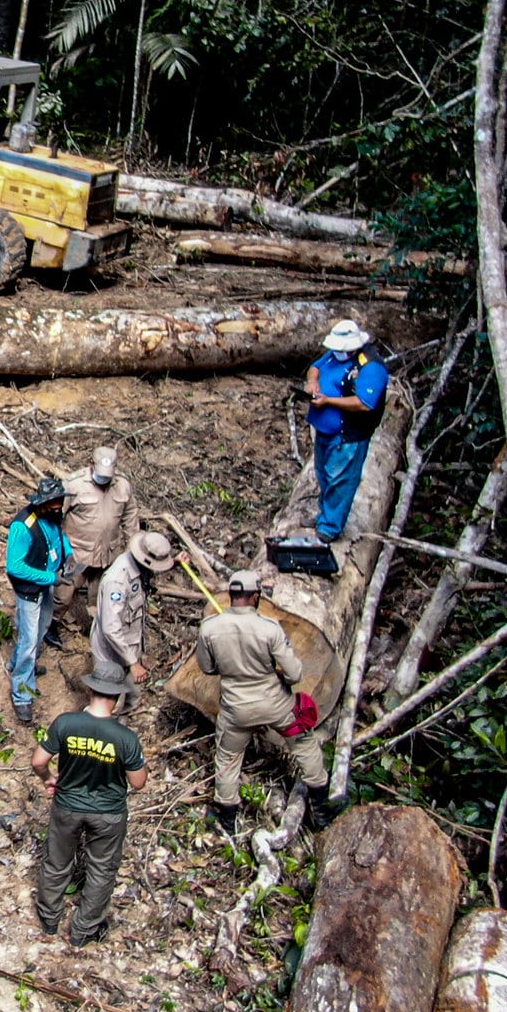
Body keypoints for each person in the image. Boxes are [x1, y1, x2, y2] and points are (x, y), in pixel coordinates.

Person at [196, 571, 333, 835]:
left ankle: (226, 818)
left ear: (231, 596)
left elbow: (207, 667)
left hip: (236, 710)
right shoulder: (270, 628)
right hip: (276, 706)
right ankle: (321, 809)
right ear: (256, 597)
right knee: (304, 743)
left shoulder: (210, 627)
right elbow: (295, 674)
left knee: (228, 757)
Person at [33, 673, 148, 946]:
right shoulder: (125, 737)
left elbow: (38, 761)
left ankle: (49, 921)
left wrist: (49, 778)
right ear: (117, 697)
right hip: (108, 812)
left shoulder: (66, 723)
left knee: (57, 862)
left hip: (67, 806)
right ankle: (83, 931)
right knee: (101, 870)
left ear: (90, 690)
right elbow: (138, 782)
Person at [304, 319, 389, 542]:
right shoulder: (334, 355)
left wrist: (329, 401)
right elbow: (316, 367)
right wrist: (313, 383)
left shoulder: (370, 367)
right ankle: (325, 515)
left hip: (347, 435)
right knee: (323, 474)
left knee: (341, 479)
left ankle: (330, 527)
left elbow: (364, 403)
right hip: (325, 431)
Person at [4, 478, 71, 726]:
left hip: (47, 586)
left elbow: (58, 538)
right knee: (29, 642)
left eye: (59, 503)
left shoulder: (52, 517)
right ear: (42, 503)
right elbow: (15, 566)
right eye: (53, 504)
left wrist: (70, 555)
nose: (58, 508)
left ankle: (19, 665)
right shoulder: (23, 527)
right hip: (31, 590)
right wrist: (50, 577)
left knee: (39, 631)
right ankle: (22, 693)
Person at [88, 530, 177, 709]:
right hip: (111, 652)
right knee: (107, 702)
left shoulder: (140, 567)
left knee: (133, 695)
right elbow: (110, 628)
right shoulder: (118, 580)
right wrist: (133, 663)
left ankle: (126, 720)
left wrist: (176, 563)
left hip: (130, 645)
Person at [57, 445, 142, 628]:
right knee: (63, 595)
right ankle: (51, 625)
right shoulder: (74, 485)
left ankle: (95, 629)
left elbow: (130, 518)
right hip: (77, 553)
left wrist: (130, 552)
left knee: (101, 598)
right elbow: (56, 517)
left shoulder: (122, 486)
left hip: (108, 554)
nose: (104, 479)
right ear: (91, 464)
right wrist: (58, 550)